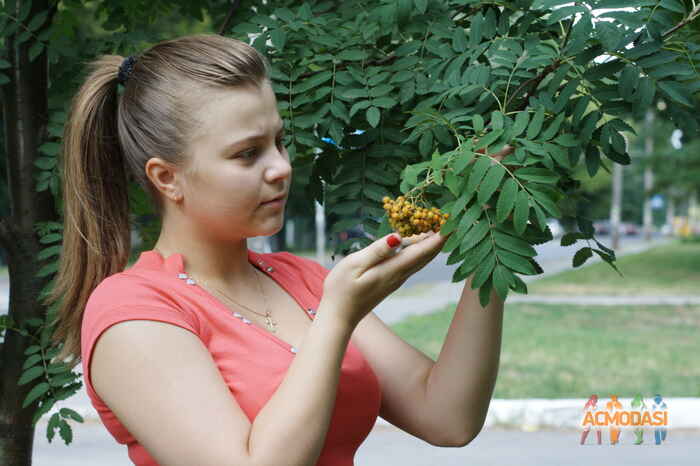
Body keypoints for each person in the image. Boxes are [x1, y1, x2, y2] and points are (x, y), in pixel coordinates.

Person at [46, 33, 507, 466]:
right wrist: (338, 316)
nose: (281, 168)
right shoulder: (133, 310)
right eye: (248, 153)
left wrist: (492, 247)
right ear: (167, 178)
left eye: (279, 142)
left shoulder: (299, 278)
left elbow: (447, 417)